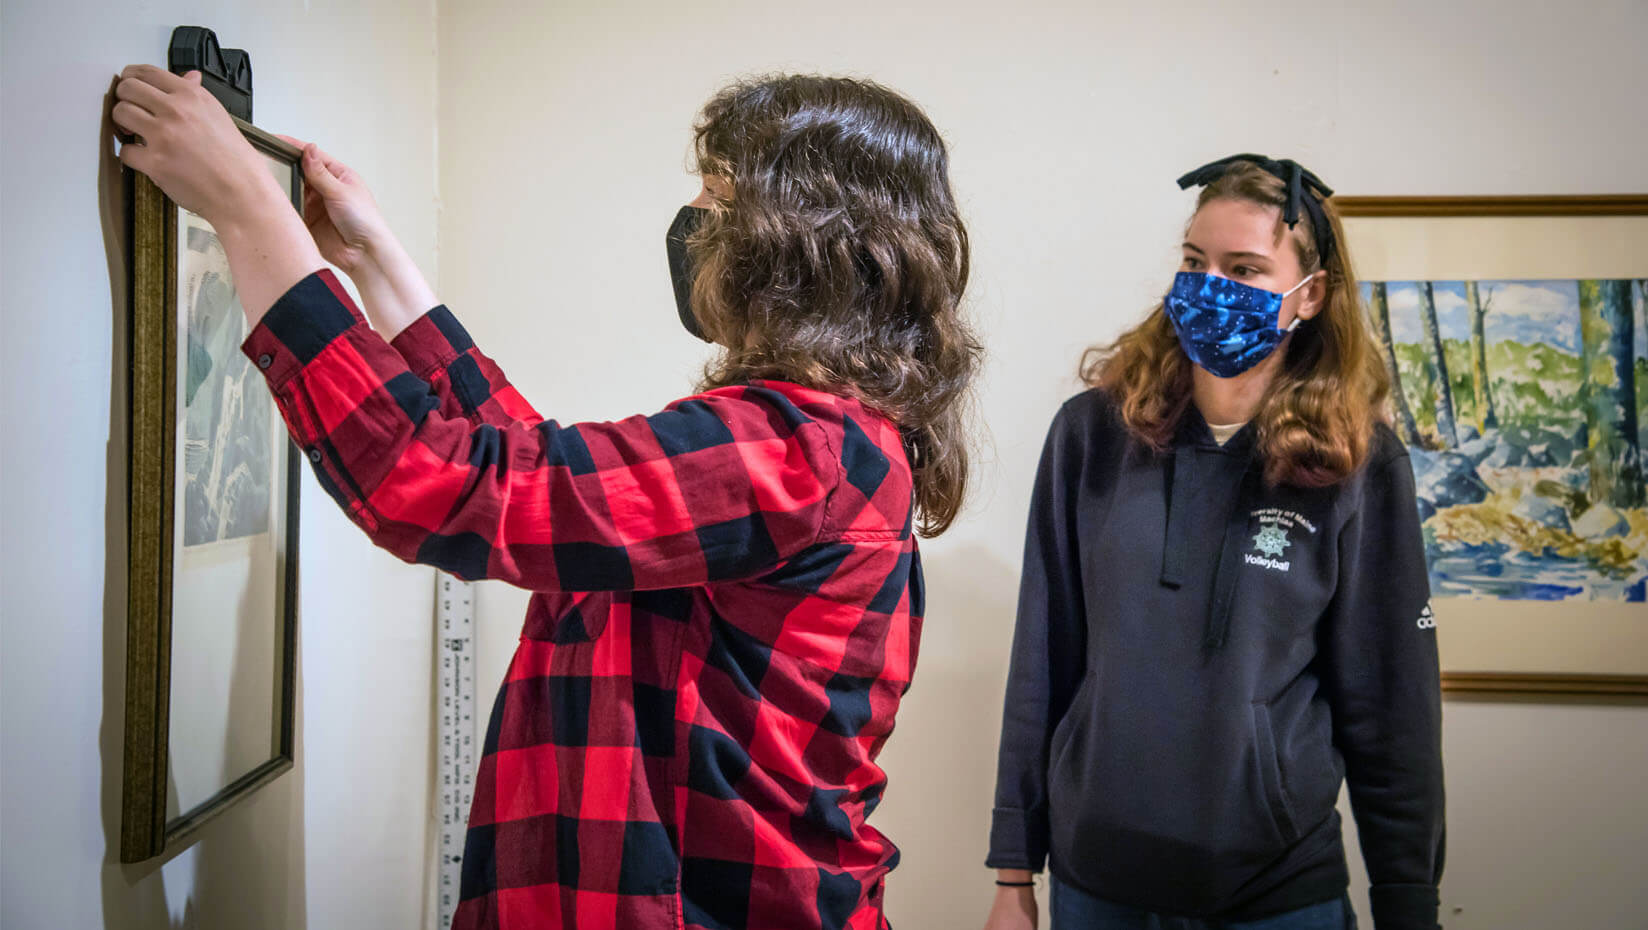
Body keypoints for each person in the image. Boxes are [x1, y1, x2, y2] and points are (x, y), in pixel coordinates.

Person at [112, 65, 980, 930]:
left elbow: (434, 482)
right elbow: (554, 498)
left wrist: (245, 209)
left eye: (715, 202)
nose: (694, 231)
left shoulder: (795, 449)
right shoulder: (824, 443)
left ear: (787, 244)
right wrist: (379, 265)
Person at [983, 155, 1444, 930]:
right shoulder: (1092, 435)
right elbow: (1044, 655)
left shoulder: (1359, 462)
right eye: (1195, 263)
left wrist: (1408, 905)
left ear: (1311, 296)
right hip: (1099, 882)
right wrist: (1012, 871)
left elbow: (1391, 706)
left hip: (1278, 891)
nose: (1210, 288)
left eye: (1245, 268)